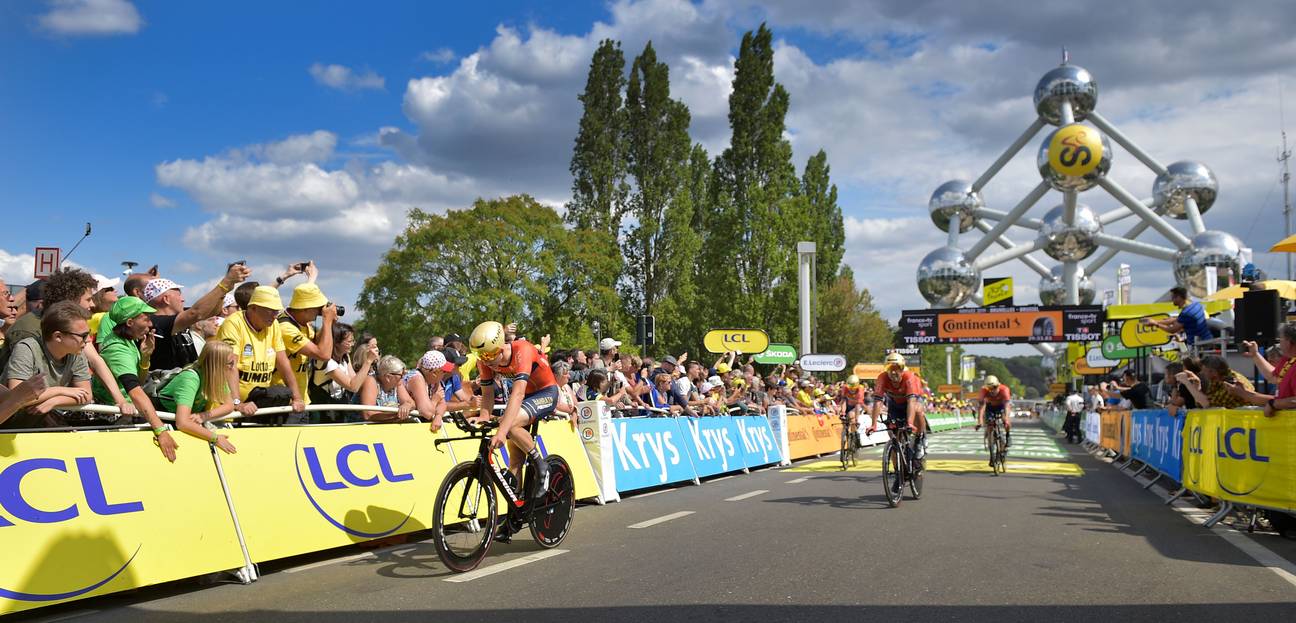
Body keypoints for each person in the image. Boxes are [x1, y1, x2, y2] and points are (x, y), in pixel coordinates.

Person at [468, 320, 556, 499]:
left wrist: (501, 432)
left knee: (510, 425)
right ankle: (514, 515)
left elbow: (517, 395)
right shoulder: (484, 361)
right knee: (515, 461)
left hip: (546, 392)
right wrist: (483, 416)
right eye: (482, 355)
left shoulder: (522, 350)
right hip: (526, 398)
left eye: (491, 355)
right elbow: (487, 394)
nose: (487, 361)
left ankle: (541, 465)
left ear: (501, 347)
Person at [90, 297, 180, 461]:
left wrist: (145, 358)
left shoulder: (127, 340)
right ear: (130, 322)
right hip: (111, 416)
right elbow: (136, 392)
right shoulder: (118, 350)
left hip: (126, 411)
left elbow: (137, 380)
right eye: (146, 318)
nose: (150, 324)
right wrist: (160, 430)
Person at [215, 286, 305, 421]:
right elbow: (230, 366)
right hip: (231, 410)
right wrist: (237, 403)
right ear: (253, 308)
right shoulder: (233, 324)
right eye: (270, 311)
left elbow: (283, 362)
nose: (275, 316)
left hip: (258, 405)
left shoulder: (273, 325)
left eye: (277, 311)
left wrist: (297, 398)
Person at [142, 263, 250, 371]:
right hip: (170, 386)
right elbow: (196, 313)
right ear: (166, 299)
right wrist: (225, 283)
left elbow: (213, 311)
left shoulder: (179, 317)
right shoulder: (155, 322)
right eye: (179, 294)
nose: (183, 299)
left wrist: (226, 289)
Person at [2, 301, 94, 429]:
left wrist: (55, 401)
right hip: (7, 425)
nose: (88, 340)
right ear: (58, 336)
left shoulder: (77, 352)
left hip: (34, 424)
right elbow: (17, 396)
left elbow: (86, 395)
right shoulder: (26, 348)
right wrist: (59, 390)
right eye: (83, 335)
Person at [157, 340, 249, 453]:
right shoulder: (191, 379)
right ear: (216, 365)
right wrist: (215, 438)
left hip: (183, 420)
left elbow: (229, 405)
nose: (233, 368)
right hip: (163, 417)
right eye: (230, 363)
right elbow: (182, 422)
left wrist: (203, 416)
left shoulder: (215, 375)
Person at [274, 283, 337, 423]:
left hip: (302, 400)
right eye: (317, 308)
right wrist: (327, 321)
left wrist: (329, 323)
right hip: (285, 403)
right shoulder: (286, 328)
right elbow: (323, 354)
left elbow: (317, 345)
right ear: (305, 308)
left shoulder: (303, 324)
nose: (320, 311)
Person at [867, 352, 928, 490]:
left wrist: (910, 423)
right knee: (894, 438)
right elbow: (877, 402)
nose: (893, 372)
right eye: (890, 368)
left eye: (897, 368)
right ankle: (898, 474)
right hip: (894, 405)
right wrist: (873, 424)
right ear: (886, 369)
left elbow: (911, 401)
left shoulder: (909, 377)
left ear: (902, 368)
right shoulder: (882, 378)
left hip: (910, 404)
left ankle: (920, 439)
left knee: (918, 410)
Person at [306, 322, 377, 422]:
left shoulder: (344, 357)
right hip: (321, 412)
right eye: (349, 341)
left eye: (353, 341)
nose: (353, 344)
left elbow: (354, 379)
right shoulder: (325, 361)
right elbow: (353, 386)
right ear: (336, 342)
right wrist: (368, 361)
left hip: (338, 408)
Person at [1222, 326, 1296, 417]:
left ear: (1288, 342)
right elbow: (1273, 377)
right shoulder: (1289, 359)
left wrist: (1274, 404)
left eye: (1280, 339)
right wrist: (1255, 355)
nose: (1279, 343)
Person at [1142, 286, 1213, 346]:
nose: (1172, 300)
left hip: (1199, 346)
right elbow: (1176, 320)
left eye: (1173, 298)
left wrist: (1156, 324)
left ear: (1179, 297)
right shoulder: (1196, 304)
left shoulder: (1186, 313)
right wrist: (1155, 321)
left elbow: (1172, 330)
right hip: (1206, 340)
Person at [404, 350, 454, 431]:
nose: (446, 374)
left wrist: (438, 416)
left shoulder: (434, 380)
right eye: (444, 371)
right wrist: (435, 400)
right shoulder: (417, 378)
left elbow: (443, 404)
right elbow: (427, 413)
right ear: (434, 373)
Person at [1178, 355, 1253, 409]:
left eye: (1204, 371)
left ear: (1213, 372)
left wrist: (1187, 383)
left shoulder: (1232, 382)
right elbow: (1201, 404)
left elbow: (1208, 405)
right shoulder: (1216, 380)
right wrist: (1197, 386)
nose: (1202, 373)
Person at [358, 355, 416, 422]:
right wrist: (397, 416)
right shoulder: (370, 381)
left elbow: (411, 403)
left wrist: (407, 405)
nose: (403, 377)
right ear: (388, 377)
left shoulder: (397, 384)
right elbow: (368, 414)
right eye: (401, 375)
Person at [976, 375, 1013, 450]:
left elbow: (1007, 406)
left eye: (995, 387)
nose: (992, 390)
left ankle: (1008, 435)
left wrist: (1006, 419)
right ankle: (991, 440)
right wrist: (980, 421)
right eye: (990, 388)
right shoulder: (983, 391)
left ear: (998, 385)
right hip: (990, 406)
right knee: (989, 424)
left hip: (1002, 406)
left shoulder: (1004, 390)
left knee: (1006, 421)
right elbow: (981, 407)